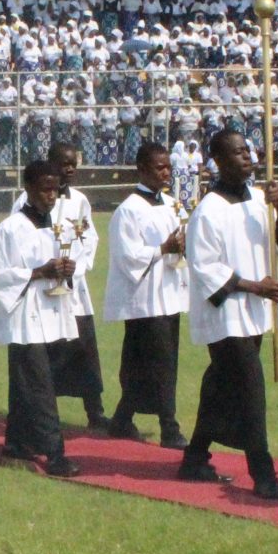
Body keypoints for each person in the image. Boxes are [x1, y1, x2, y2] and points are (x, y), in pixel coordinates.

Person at [178, 129, 278, 501]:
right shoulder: (208, 211)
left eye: (248, 150)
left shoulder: (261, 201)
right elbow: (204, 267)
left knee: (221, 387)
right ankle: (262, 473)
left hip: (254, 313)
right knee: (250, 389)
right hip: (225, 314)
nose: (246, 157)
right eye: (236, 152)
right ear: (217, 160)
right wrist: (254, 287)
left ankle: (195, 457)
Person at [0, 160, 84, 478]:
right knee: (39, 386)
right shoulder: (10, 229)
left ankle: (16, 444)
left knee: (27, 385)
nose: (51, 195)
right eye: (44, 188)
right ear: (28, 188)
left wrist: (68, 271)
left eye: (55, 189)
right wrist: (39, 271)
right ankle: (55, 454)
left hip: (52, 314)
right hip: (24, 317)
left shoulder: (59, 226)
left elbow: (74, 263)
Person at [12, 142, 106, 430]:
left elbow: (89, 238)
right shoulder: (25, 203)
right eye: (63, 163)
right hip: (43, 290)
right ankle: (41, 412)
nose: (69, 169)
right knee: (47, 353)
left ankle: (95, 412)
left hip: (73, 287)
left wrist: (75, 266)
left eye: (73, 164)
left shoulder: (79, 200)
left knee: (85, 349)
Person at [102, 142, 189, 448]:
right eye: (159, 167)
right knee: (158, 364)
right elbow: (127, 257)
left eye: (168, 166)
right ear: (141, 169)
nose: (166, 172)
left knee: (151, 364)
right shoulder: (129, 210)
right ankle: (169, 428)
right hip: (143, 299)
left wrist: (183, 245)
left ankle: (122, 419)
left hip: (168, 293)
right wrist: (163, 248)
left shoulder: (170, 204)